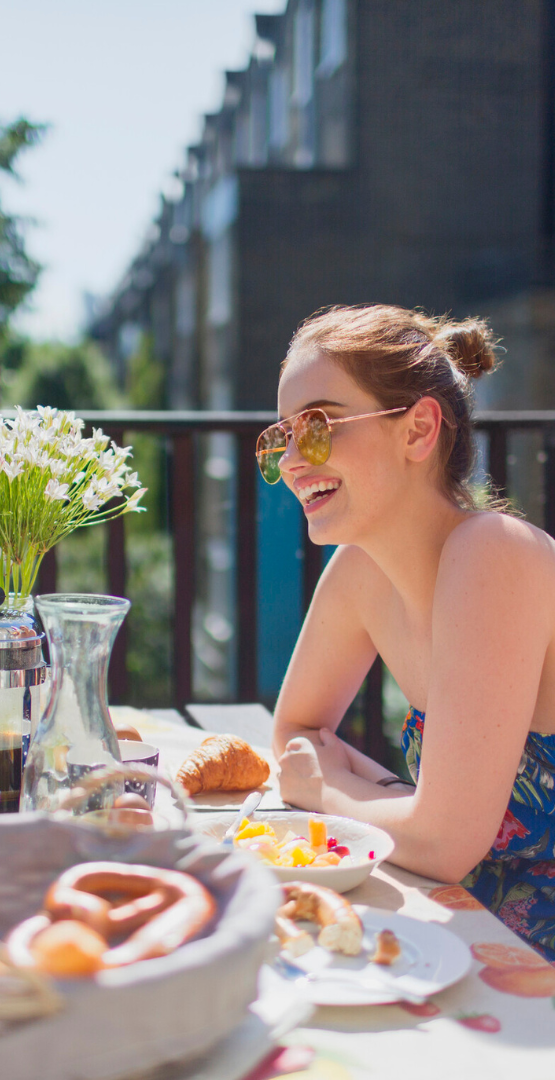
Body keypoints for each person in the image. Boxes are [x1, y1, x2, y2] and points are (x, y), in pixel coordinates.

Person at [268, 303, 555, 959]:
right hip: (462, 934)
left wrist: (328, 791)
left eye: (315, 425)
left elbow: (444, 843)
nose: (289, 461)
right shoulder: (360, 573)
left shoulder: (496, 553)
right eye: (280, 436)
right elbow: (295, 735)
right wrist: (400, 806)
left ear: (418, 429)